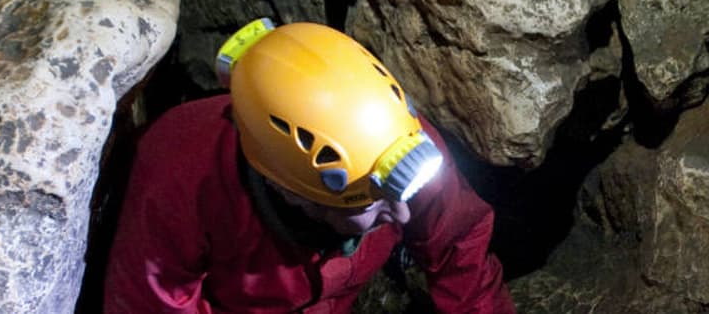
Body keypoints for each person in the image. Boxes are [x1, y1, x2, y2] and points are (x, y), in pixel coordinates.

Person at [103, 18, 515, 313]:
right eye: (367, 204)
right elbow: (151, 302)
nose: (404, 213)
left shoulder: (396, 142)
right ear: (290, 191)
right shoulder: (178, 178)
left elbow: (460, 247)